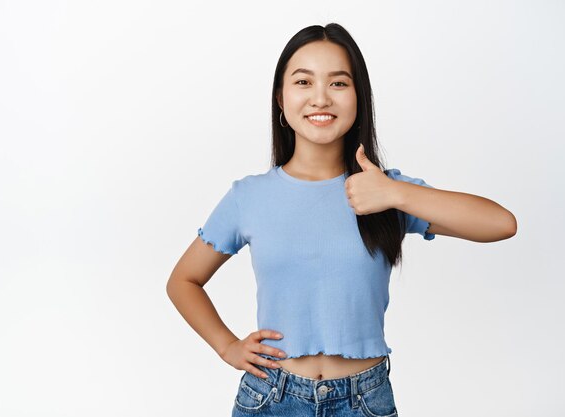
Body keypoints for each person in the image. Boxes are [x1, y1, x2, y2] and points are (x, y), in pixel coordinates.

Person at [166, 23, 517, 416]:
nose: (320, 98)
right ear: (281, 99)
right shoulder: (249, 196)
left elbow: (500, 224)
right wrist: (227, 345)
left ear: (358, 98)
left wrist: (396, 193)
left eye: (337, 83)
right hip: (270, 397)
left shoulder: (385, 191)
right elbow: (183, 280)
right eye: (303, 82)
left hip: (365, 400)